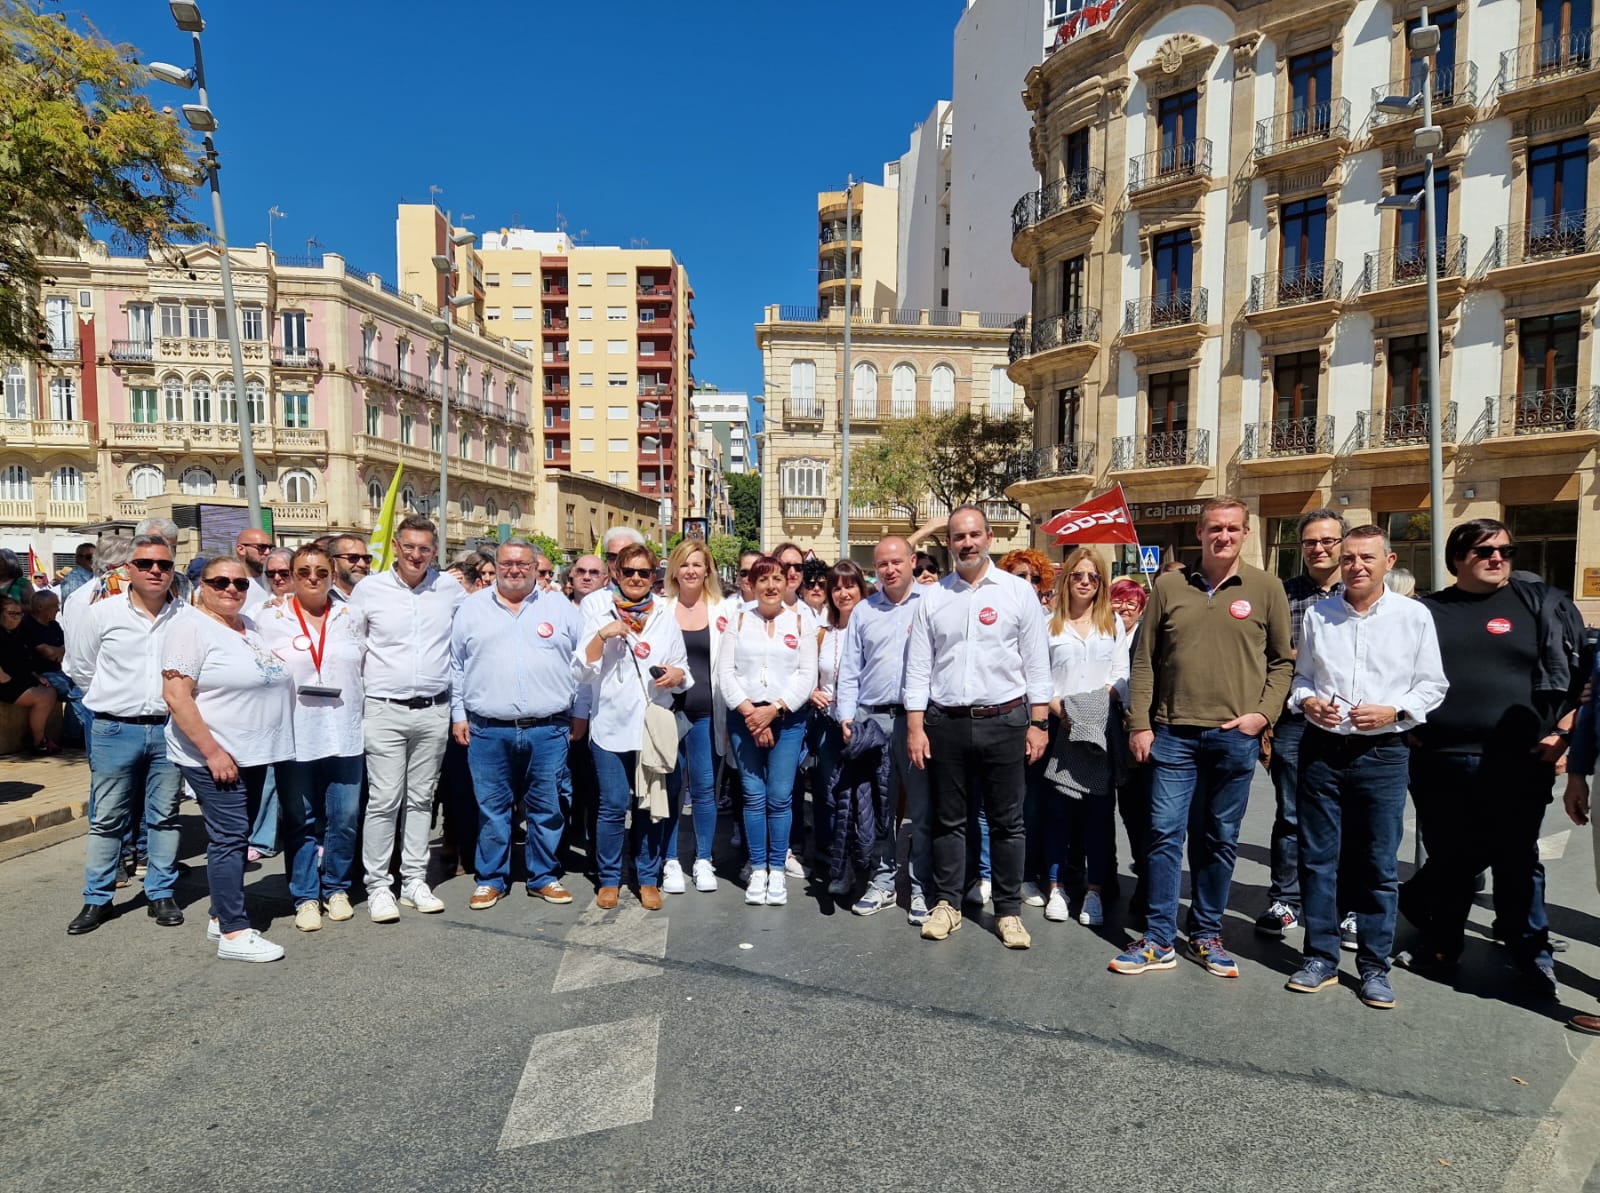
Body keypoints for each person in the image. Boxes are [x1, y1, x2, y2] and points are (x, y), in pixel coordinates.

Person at [1403, 518, 1584, 997]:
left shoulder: (1543, 606)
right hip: (1440, 758)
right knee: (1452, 857)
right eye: (1485, 551)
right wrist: (1406, 729)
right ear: (1457, 559)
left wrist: (1563, 735)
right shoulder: (1426, 612)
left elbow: (1585, 681)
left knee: (1516, 859)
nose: (1498, 558)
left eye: (1506, 550)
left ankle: (1532, 956)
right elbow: (1394, 672)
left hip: (1519, 760)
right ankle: (1443, 942)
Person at [1115, 497, 1292, 978]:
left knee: (1218, 839)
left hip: (1235, 737)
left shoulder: (1266, 588)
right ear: (1200, 532)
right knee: (1164, 834)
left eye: (1233, 529)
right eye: (1215, 528)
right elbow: (1144, 660)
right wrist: (1140, 724)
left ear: (1246, 533)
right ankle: (1156, 939)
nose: (1224, 536)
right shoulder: (1170, 586)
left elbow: (1283, 662)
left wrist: (1262, 716)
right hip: (1172, 735)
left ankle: (1205, 935)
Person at [1284, 526, 1447, 1009]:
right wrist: (1308, 702)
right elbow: (1303, 677)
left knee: (1377, 862)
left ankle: (1375, 966)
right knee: (1318, 859)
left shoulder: (1413, 616)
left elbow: (1432, 686)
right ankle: (1320, 958)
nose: (1356, 565)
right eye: (1349, 557)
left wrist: (1394, 711)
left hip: (1383, 753)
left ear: (1387, 560)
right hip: (1322, 750)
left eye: (1367, 558)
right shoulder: (1319, 614)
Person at [905, 505, 1052, 950]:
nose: (966, 543)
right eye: (957, 537)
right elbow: (917, 667)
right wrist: (915, 728)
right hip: (945, 723)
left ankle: (1007, 911)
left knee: (1008, 823)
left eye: (973, 535)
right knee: (950, 820)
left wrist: (1039, 723)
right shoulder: (933, 597)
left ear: (989, 538)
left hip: (1005, 720)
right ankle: (948, 904)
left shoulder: (1016, 593)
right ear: (948, 543)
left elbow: (1036, 663)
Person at [161, 556, 295, 962]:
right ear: (200, 584)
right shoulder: (189, 627)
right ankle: (235, 933)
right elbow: (176, 696)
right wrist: (213, 752)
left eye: (239, 583)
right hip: (214, 755)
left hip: (252, 753)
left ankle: (221, 915)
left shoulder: (246, 626)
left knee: (237, 838)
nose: (231, 589)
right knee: (229, 838)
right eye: (220, 582)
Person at [63, 535, 189, 934]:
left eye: (165, 565)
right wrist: (114, 700)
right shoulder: (101, 614)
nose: (156, 571)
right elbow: (81, 667)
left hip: (169, 729)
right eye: (147, 564)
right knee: (107, 819)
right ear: (128, 569)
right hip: (115, 728)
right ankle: (96, 899)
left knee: (165, 817)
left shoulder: (186, 616)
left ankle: (161, 892)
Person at [453, 539, 584, 910]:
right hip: (487, 728)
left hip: (549, 728)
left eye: (523, 564)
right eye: (507, 563)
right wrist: (457, 715)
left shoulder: (559, 607)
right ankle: (492, 879)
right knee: (493, 809)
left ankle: (544, 876)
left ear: (534, 566)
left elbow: (584, 661)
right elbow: (456, 666)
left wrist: (580, 713)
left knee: (546, 807)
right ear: (496, 565)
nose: (514, 569)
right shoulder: (472, 608)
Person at [349, 515, 466, 923]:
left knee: (421, 799)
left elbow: (462, 648)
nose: (417, 555)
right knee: (384, 800)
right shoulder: (369, 589)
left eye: (425, 548)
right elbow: (353, 648)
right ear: (396, 547)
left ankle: (414, 879)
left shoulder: (450, 590)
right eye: (410, 547)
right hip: (383, 708)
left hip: (434, 710)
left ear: (435, 552)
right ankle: (378, 884)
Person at [257, 545, 366, 930]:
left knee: (346, 816)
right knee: (301, 819)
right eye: (304, 572)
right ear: (292, 574)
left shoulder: (353, 616)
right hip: (296, 734)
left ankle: (335, 886)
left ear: (333, 574)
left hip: (346, 731)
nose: (313, 578)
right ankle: (305, 895)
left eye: (321, 571)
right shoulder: (271, 618)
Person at [577, 542, 689, 910]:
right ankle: (609, 878)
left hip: (651, 728)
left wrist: (675, 675)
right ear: (616, 575)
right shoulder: (599, 610)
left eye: (644, 572)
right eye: (629, 572)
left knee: (648, 805)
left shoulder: (664, 616)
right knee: (611, 804)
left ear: (654, 577)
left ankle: (647, 877)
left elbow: (682, 670)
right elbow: (580, 669)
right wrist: (602, 636)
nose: (637, 578)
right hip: (609, 726)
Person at [838, 535, 941, 922]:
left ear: (913, 561)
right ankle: (882, 882)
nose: (890, 569)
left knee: (922, 810)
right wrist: (847, 717)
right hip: (873, 719)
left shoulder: (932, 603)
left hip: (919, 721)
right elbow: (850, 670)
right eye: (882, 564)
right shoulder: (864, 611)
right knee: (880, 809)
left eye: (897, 561)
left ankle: (920, 888)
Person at [1257, 509, 1347, 941]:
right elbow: (1269, 656)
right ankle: (1286, 901)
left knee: (1348, 817)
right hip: (1293, 721)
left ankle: (1346, 907)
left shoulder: (1359, 593)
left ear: (1343, 544)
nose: (1319, 548)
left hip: (1350, 723)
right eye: (1311, 542)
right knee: (1291, 814)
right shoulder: (1282, 593)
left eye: (1329, 540)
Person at [719, 554, 817, 907]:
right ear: (753, 585)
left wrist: (773, 710)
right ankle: (757, 867)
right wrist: (750, 712)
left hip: (787, 719)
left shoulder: (801, 622)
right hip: (744, 719)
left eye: (777, 579)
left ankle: (777, 867)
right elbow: (725, 673)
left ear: (788, 582)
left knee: (779, 796)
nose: (771, 586)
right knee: (752, 794)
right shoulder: (739, 620)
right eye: (763, 580)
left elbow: (807, 676)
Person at [1042, 547, 1129, 927]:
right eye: (1078, 575)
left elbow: (1120, 676)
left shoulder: (1112, 623)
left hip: (1099, 731)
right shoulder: (1048, 625)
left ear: (1102, 583)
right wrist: (1064, 713)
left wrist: (1089, 714)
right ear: (1066, 580)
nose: (1084, 582)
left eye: (1093, 577)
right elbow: (1038, 678)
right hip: (1058, 728)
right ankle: (1056, 887)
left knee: (1098, 815)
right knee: (1058, 814)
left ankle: (1094, 891)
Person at [659, 539, 730, 894]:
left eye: (697, 565)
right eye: (684, 564)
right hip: (669, 713)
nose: (690, 571)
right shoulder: (661, 609)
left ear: (707, 571)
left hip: (707, 713)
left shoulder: (723, 610)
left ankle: (704, 859)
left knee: (704, 790)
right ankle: (670, 860)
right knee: (671, 789)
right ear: (675, 569)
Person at [811, 560, 867, 894]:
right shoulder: (822, 630)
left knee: (866, 798)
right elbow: (805, 669)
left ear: (861, 587)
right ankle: (839, 864)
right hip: (828, 723)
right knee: (830, 796)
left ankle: (870, 865)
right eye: (837, 587)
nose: (843, 593)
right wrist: (811, 691)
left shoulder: (871, 624)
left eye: (850, 585)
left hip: (863, 723)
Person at [1107, 576, 1151, 919]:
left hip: (1146, 732)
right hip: (1113, 734)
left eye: (1130, 603)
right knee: (1127, 810)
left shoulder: (1147, 637)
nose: (1123, 609)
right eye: (1117, 601)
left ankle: (1149, 880)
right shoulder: (1106, 633)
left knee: (1149, 813)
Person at [0, 596, 59, 753]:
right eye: (12, 613)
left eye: (19, 614)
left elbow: (23, 659)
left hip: (17, 678)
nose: (17, 618)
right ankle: (39, 741)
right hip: (4, 683)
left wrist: (35, 676)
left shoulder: (17, 632)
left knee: (48, 689)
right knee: (46, 696)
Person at [234, 527, 275, 617]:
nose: (268, 552)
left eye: (271, 548)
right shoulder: (223, 584)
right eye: (262, 547)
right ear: (241, 549)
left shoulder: (277, 580)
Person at [327, 534, 371, 602]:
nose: (362, 564)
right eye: (353, 558)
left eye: (366, 558)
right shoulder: (322, 598)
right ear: (333, 563)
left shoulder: (380, 596)